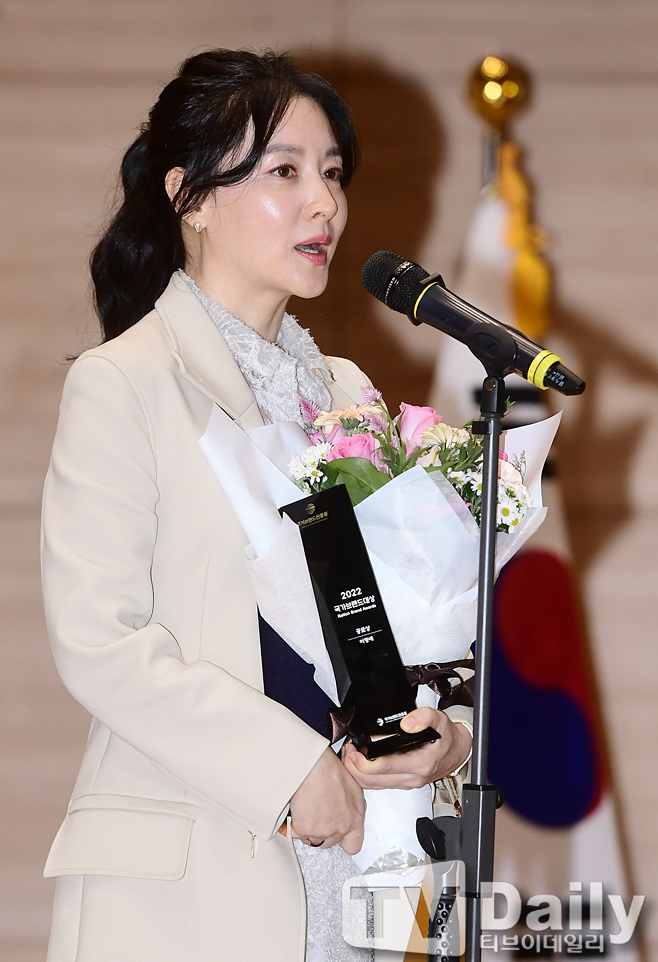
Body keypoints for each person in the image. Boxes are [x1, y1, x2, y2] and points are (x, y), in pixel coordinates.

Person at [41, 49, 473, 962]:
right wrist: (288, 769)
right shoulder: (127, 383)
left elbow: (412, 622)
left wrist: (447, 734)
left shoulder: (349, 393)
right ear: (189, 197)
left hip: (373, 860)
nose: (325, 203)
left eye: (332, 173)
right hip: (195, 882)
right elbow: (100, 640)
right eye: (285, 172)